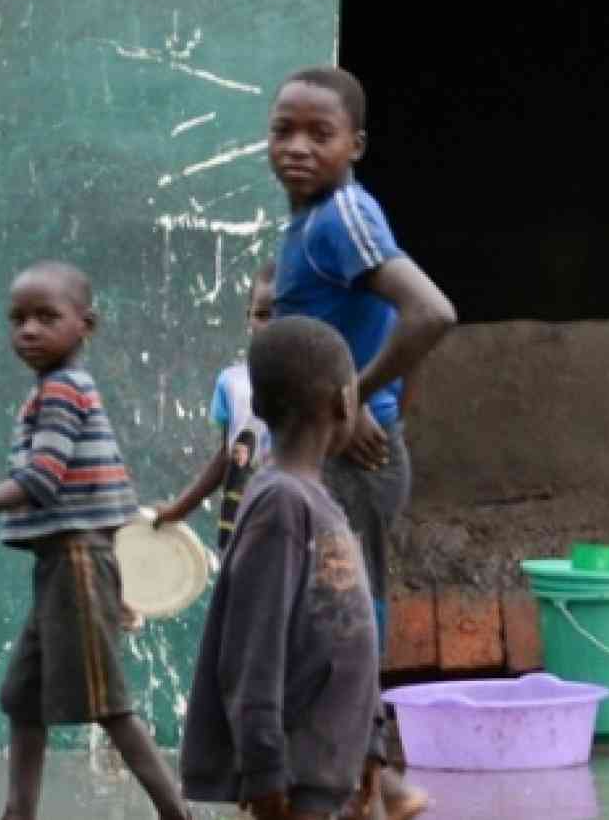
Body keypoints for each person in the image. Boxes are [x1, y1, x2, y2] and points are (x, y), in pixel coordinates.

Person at [0, 261, 190, 820]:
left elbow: (42, 479)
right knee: (23, 699)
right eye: (17, 320)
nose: (28, 331)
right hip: (65, 565)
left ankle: (177, 814)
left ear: (86, 325)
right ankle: (19, 812)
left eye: (46, 317)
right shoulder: (58, 388)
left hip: (76, 561)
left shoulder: (62, 391)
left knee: (108, 706)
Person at [266, 65, 452, 820]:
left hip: (352, 458)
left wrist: (356, 395)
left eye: (320, 133)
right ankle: (380, 786)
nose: (298, 147)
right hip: (329, 456)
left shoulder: (343, 215)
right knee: (326, 622)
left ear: (356, 145)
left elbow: (430, 314)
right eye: (283, 131)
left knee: (341, 625)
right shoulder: (313, 225)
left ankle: (370, 785)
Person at [181, 317, 385, 820]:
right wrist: (265, 767)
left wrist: (372, 742)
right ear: (344, 401)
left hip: (333, 768)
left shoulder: (318, 500)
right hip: (296, 777)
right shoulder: (281, 506)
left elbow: (348, 634)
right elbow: (253, 649)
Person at [154, 262, 278, 548]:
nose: (272, 324)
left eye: (284, 313)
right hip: (238, 529)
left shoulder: (311, 381)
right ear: (248, 318)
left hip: (285, 529)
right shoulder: (232, 383)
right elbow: (228, 455)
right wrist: (180, 508)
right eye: (262, 315)